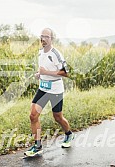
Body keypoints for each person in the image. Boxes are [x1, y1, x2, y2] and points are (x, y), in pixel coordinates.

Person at [24, 28, 74, 156]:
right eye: (41, 36)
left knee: (57, 117)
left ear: (52, 39)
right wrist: (39, 74)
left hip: (55, 90)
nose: (43, 39)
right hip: (43, 88)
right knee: (33, 116)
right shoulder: (40, 52)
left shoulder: (56, 54)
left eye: (46, 36)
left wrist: (47, 72)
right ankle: (38, 146)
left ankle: (69, 134)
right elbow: (44, 68)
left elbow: (65, 73)